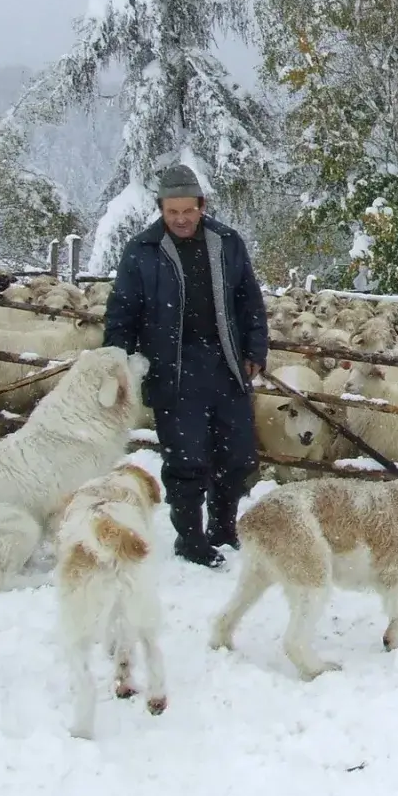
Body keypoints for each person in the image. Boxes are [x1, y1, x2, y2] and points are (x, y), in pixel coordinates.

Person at [102, 164, 268, 568]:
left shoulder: (227, 242)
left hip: (225, 364)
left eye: (187, 211)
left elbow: (249, 300)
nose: (180, 219)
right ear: (160, 208)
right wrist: (116, 360)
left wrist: (255, 350)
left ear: (201, 205)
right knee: (187, 459)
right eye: (172, 211)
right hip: (171, 370)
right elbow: (123, 312)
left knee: (238, 455)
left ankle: (224, 528)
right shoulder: (142, 251)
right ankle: (190, 538)